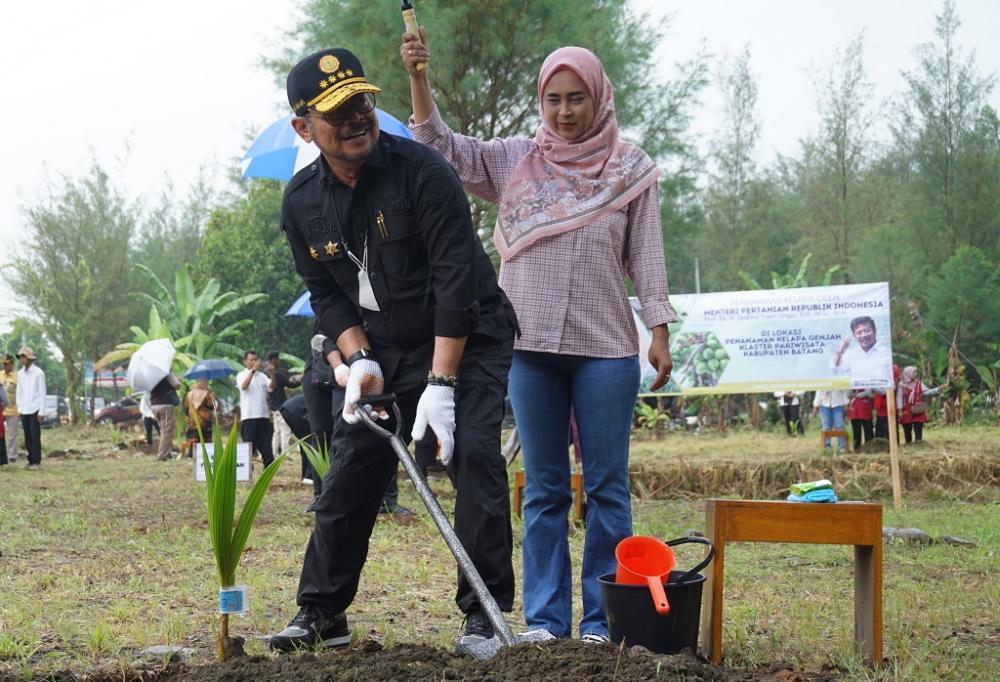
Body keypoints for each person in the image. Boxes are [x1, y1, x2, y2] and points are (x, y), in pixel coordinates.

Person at [402, 36, 675, 642]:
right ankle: (547, 622)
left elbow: (647, 255)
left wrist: (657, 329)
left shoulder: (630, 168)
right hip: (528, 349)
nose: (565, 111)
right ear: (541, 101)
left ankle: (604, 621)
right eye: (554, 99)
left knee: (606, 488)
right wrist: (419, 77)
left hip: (606, 349)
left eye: (577, 98)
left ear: (599, 97)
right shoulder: (515, 159)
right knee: (544, 490)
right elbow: (443, 148)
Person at [270, 47, 519, 655]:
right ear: (304, 127)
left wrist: (442, 384)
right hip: (387, 348)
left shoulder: (423, 173)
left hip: (469, 338)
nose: (356, 118)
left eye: (362, 102)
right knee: (350, 468)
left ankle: (484, 617)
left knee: (473, 455)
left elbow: (456, 282)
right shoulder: (301, 203)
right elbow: (326, 292)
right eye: (337, 112)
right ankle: (322, 613)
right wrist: (359, 359)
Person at [297, 332, 406, 514]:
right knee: (324, 434)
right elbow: (325, 337)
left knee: (380, 427)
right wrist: (338, 366)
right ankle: (323, 496)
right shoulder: (330, 318)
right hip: (329, 373)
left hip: (368, 367)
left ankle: (386, 498)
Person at [236, 350, 274, 467]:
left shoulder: (262, 376)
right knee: (247, 447)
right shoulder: (241, 375)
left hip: (263, 416)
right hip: (248, 416)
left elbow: (272, 387)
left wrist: (273, 374)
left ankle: (269, 470)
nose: (254, 362)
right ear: (245, 362)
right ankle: (246, 471)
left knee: (266, 447)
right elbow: (244, 386)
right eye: (251, 360)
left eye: (255, 359)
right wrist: (252, 371)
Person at [832, 316, 892, 386]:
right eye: (859, 333)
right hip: (856, 392)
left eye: (867, 331)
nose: (863, 335)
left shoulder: (886, 353)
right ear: (854, 335)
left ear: (875, 330)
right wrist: (840, 351)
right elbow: (835, 370)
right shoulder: (851, 354)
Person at [897, 366, 945, 444]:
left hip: (917, 408)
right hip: (906, 409)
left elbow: (927, 392)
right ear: (908, 373)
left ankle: (918, 441)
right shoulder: (901, 385)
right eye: (913, 372)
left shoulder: (918, 383)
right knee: (907, 426)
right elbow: (899, 398)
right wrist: (899, 410)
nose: (915, 374)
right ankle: (908, 443)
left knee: (918, 423)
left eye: (916, 372)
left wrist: (938, 389)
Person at [15, 347, 45, 470]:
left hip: (35, 408)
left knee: (35, 436)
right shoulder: (20, 374)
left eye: (24, 357)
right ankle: (30, 460)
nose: (22, 359)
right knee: (27, 436)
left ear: (29, 358)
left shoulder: (39, 373)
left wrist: (42, 411)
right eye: (20, 357)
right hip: (24, 409)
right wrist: (19, 409)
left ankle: (37, 462)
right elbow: (19, 392)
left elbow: (42, 393)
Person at [267, 351, 298, 458]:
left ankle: (275, 454)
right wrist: (301, 379)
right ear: (273, 360)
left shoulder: (265, 373)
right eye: (277, 359)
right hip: (281, 407)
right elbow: (290, 384)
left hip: (273, 407)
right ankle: (286, 454)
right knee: (285, 431)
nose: (279, 361)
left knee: (277, 432)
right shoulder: (277, 374)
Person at [149, 373, 181, 461]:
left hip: (154, 405)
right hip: (165, 405)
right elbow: (177, 385)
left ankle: (168, 452)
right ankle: (162, 455)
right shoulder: (166, 372)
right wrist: (177, 380)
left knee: (164, 430)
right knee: (166, 431)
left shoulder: (149, 374)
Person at [2, 354, 19, 463]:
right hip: (0, 410)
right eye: (4, 364)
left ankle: (11, 456)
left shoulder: (18, 376)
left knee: (12, 434)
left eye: (7, 364)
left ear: (12, 364)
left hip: (13, 409)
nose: (5, 366)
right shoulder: (0, 375)